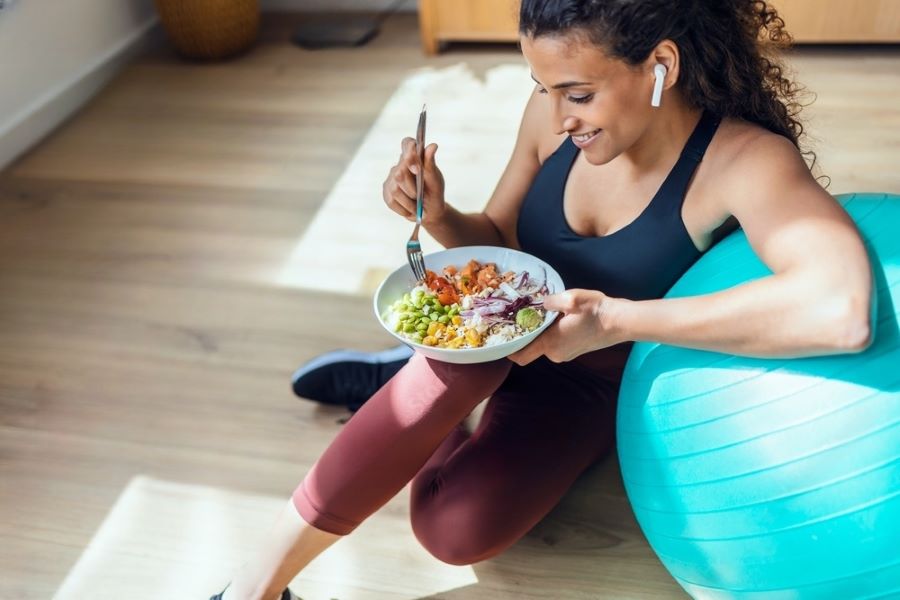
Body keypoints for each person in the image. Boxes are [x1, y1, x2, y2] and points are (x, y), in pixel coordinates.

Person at [212, 1, 874, 598]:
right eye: (544, 89)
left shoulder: (742, 162)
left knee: (453, 529)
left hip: (594, 386)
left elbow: (841, 312)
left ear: (660, 65)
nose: (558, 118)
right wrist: (440, 214)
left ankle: (413, 393)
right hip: (500, 341)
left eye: (578, 93)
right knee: (465, 358)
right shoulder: (554, 119)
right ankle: (255, 586)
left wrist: (612, 321)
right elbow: (500, 240)